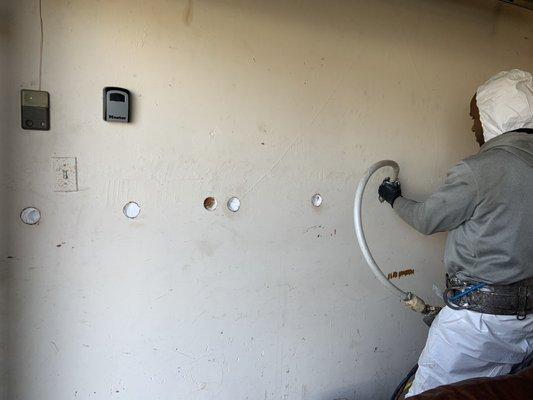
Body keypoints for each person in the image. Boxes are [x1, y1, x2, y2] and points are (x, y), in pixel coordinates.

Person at [378, 69, 533, 397]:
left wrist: (395, 200)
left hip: (476, 326)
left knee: (430, 396)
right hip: (526, 325)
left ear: (495, 114)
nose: (473, 125)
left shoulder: (480, 170)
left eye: (474, 116)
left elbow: (426, 220)